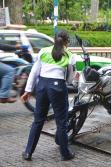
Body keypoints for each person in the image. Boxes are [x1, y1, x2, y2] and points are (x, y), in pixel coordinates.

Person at [21, 30, 76, 161]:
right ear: (67, 42)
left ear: (54, 39)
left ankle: (28, 152)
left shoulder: (43, 51)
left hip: (42, 86)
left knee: (38, 120)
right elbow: (69, 80)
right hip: (58, 87)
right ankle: (65, 153)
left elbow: (34, 72)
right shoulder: (70, 55)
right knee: (61, 122)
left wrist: (27, 91)